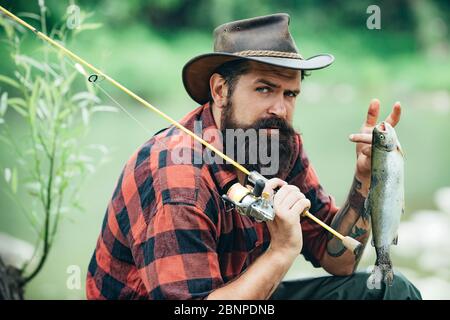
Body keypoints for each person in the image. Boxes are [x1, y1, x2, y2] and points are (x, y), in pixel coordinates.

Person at [86, 13, 421, 300]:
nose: (280, 108)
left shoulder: (277, 141)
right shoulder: (177, 177)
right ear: (219, 91)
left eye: (290, 94)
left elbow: (340, 260)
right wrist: (281, 251)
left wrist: (367, 177)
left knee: (392, 291)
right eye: (264, 89)